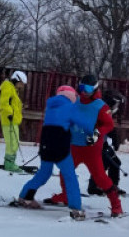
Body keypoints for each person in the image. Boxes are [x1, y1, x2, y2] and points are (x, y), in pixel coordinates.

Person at [45, 74, 124, 217]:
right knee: (64, 172)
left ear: (94, 89)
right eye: (81, 88)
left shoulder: (100, 106)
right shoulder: (76, 102)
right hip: (74, 146)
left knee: (100, 177)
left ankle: (116, 205)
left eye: (87, 88)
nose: (84, 91)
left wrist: (97, 133)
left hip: (91, 149)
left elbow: (108, 124)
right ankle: (66, 196)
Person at [15, 86, 86, 221]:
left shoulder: (50, 107)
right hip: (61, 147)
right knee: (70, 176)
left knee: (44, 173)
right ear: (72, 96)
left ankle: (25, 196)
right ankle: (76, 208)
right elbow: (83, 125)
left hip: (46, 146)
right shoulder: (71, 107)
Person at [87, 88, 126, 196]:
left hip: (102, 143)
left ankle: (112, 186)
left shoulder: (106, 111)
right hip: (95, 143)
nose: (116, 108)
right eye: (116, 104)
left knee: (115, 163)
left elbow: (107, 127)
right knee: (102, 164)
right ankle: (94, 186)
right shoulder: (99, 110)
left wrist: (114, 137)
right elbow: (95, 127)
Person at [0, 70, 27, 173]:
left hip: (14, 120)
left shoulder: (14, 89)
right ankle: (9, 164)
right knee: (11, 143)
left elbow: (12, 103)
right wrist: (10, 113)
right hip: (8, 120)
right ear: (16, 80)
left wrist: (21, 107)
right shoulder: (7, 87)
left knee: (14, 142)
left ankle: (11, 163)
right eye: (21, 83)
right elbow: (4, 103)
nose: (22, 86)